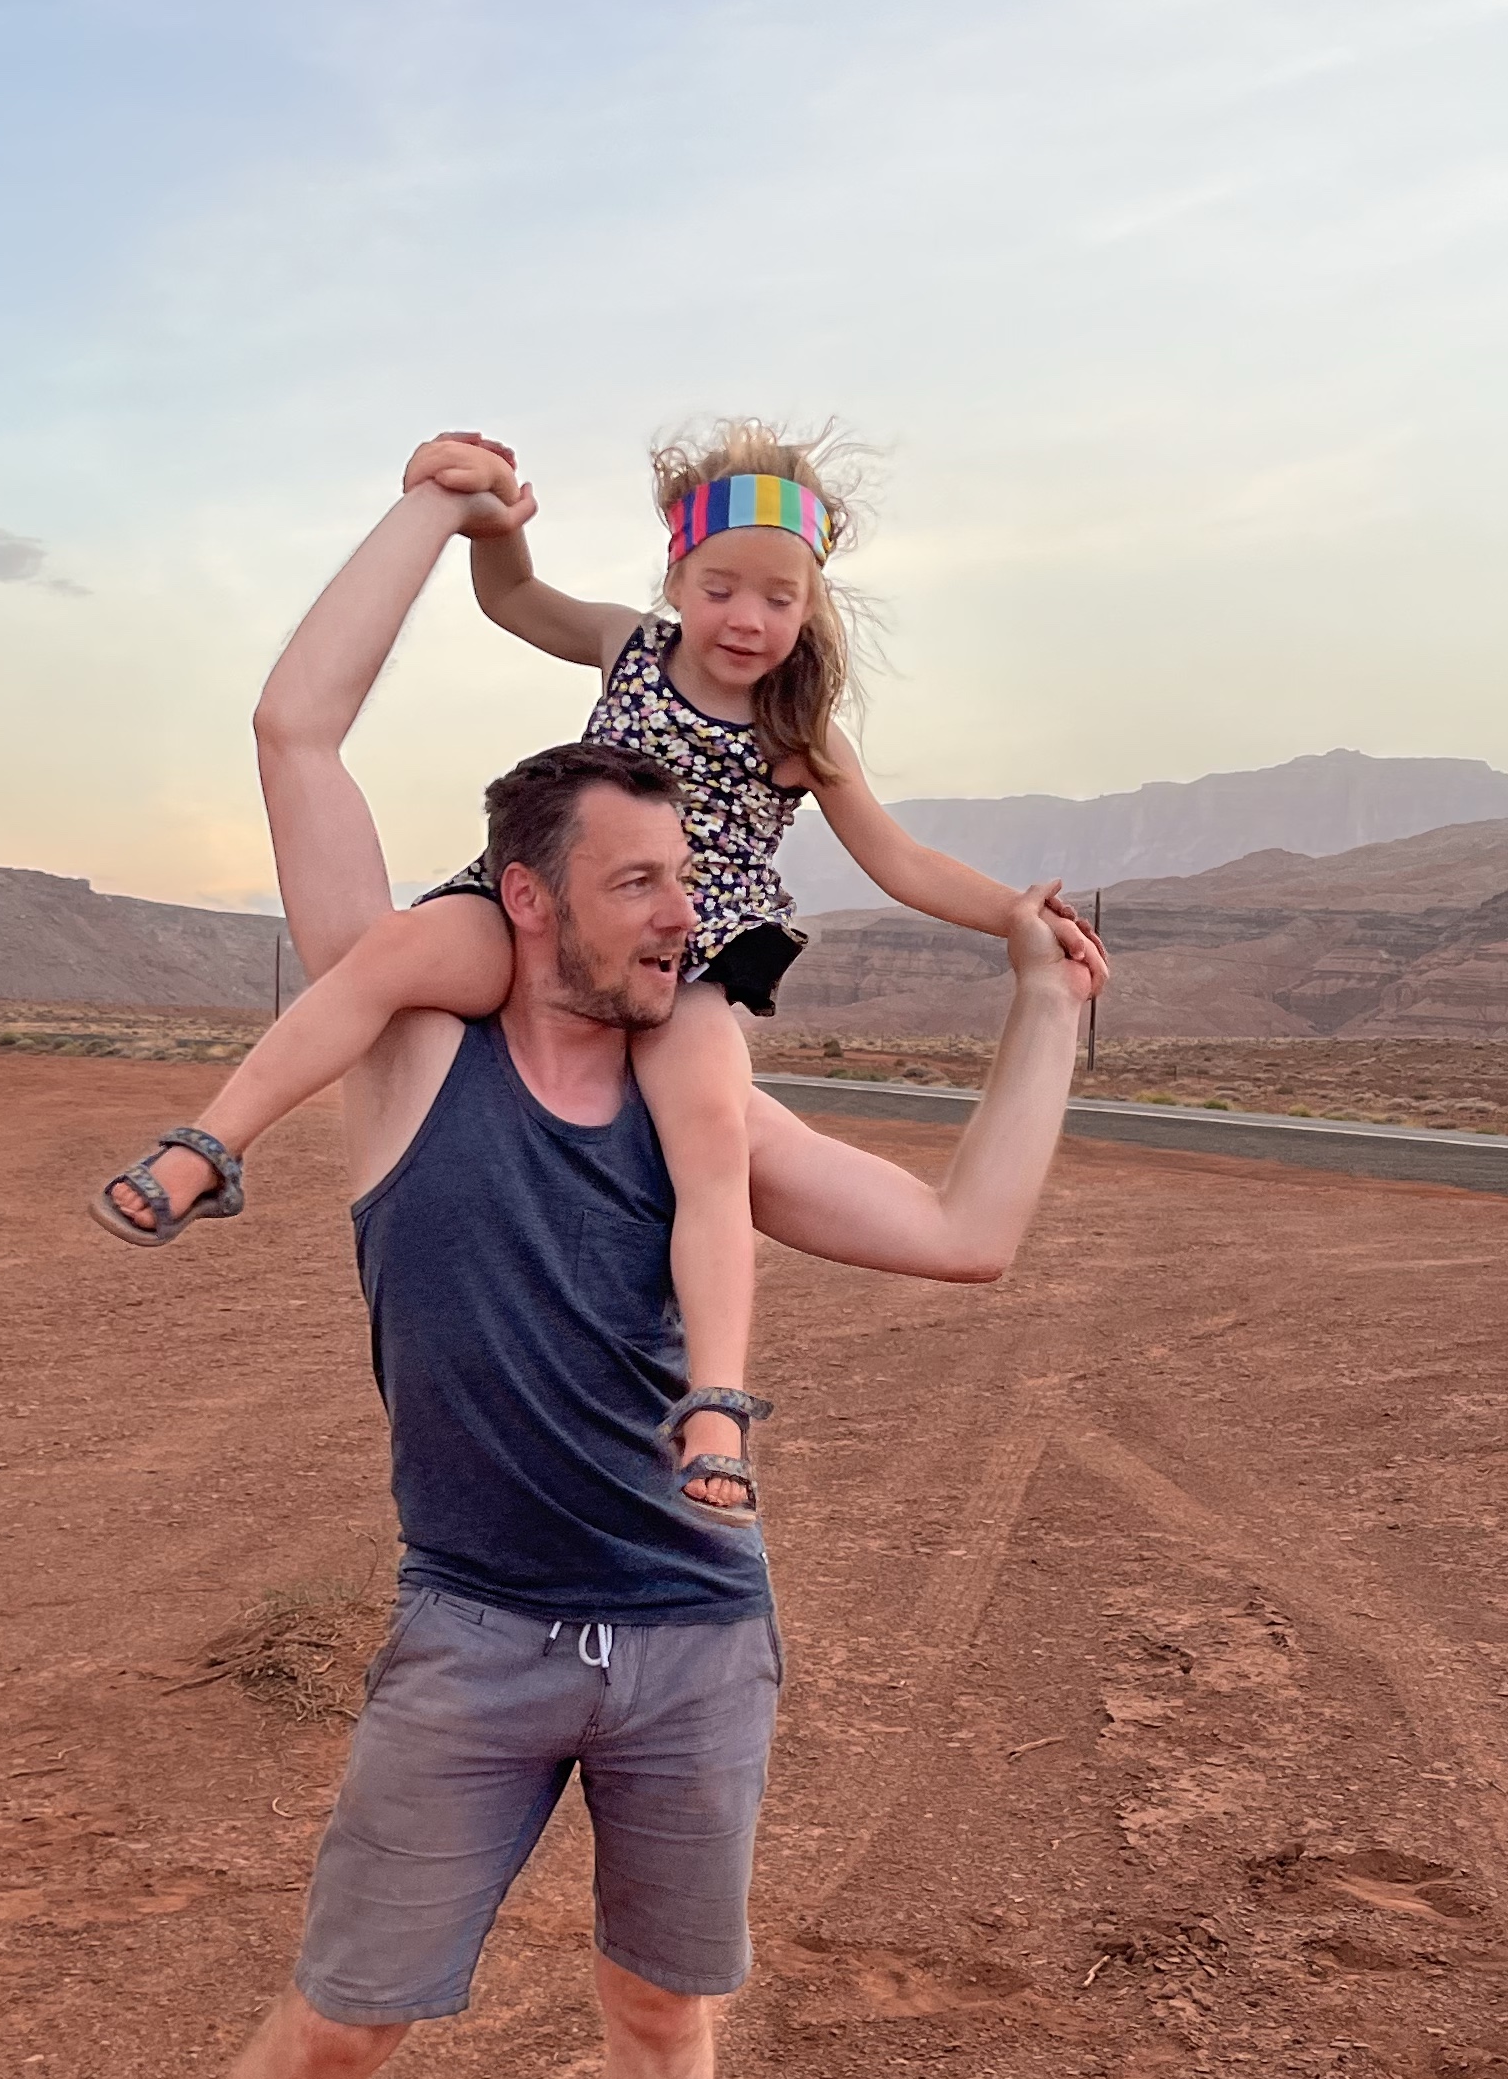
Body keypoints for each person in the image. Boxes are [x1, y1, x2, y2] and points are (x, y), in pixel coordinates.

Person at [88, 442, 1106, 2079]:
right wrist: (434, 511)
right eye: (643, 884)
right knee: (340, 2028)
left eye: (691, 888)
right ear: (528, 897)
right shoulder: (401, 1030)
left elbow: (964, 1238)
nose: (689, 919)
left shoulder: (706, 1102)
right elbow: (297, 729)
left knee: (663, 2012)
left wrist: (1039, 1006)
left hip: (693, 1626)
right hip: (474, 1629)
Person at [88, 425, 1098, 1521]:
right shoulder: (627, 648)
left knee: (709, 1136)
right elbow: (510, 602)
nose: (746, 620)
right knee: (386, 957)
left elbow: (897, 861)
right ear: (676, 578)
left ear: (810, 607)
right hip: (529, 912)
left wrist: (1016, 927)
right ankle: (212, 1145)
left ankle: (717, 1402)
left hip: (700, 962)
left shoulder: (797, 729)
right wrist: (483, 523)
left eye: (779, 599)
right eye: (720, 589)